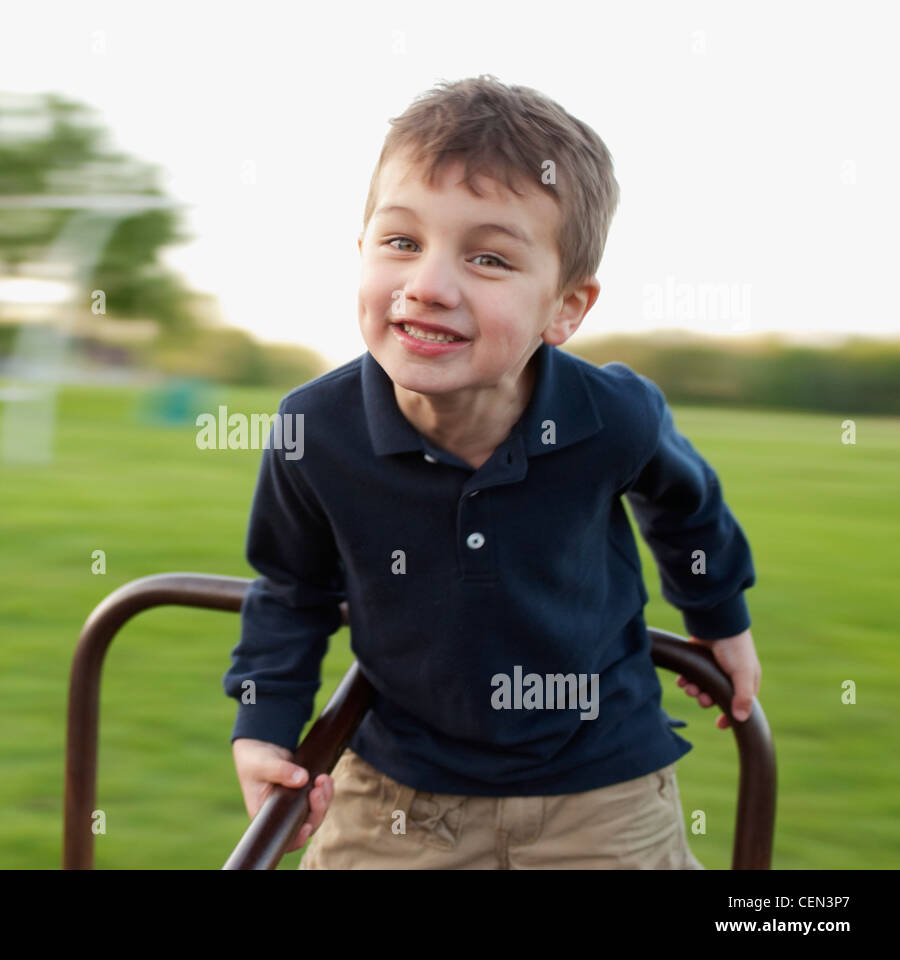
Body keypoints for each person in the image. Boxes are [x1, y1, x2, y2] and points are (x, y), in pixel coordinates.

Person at [224, 75, 759, 869]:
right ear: (362, 250)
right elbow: (291, 589)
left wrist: (719, 618)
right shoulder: (315, 429)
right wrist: (265, 726)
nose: (430, 286)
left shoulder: (614, 415)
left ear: (566, 309)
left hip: (599, 786)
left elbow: (688, 507)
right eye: (401, 242)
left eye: (488, 257)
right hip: (398, 789)